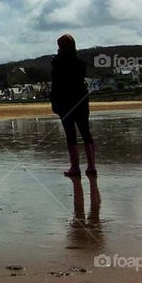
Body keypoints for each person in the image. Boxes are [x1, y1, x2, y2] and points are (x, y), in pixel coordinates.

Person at [50, 34, 97, 177]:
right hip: (81, 100)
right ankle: (91, 166)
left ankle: (75, 167)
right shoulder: (80, 62)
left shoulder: (57, 62)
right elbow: (80, 81)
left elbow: (56, 85)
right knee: (85, 132)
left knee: (71, 135)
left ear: (61, 47)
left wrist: (54, 103)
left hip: (65, 102)